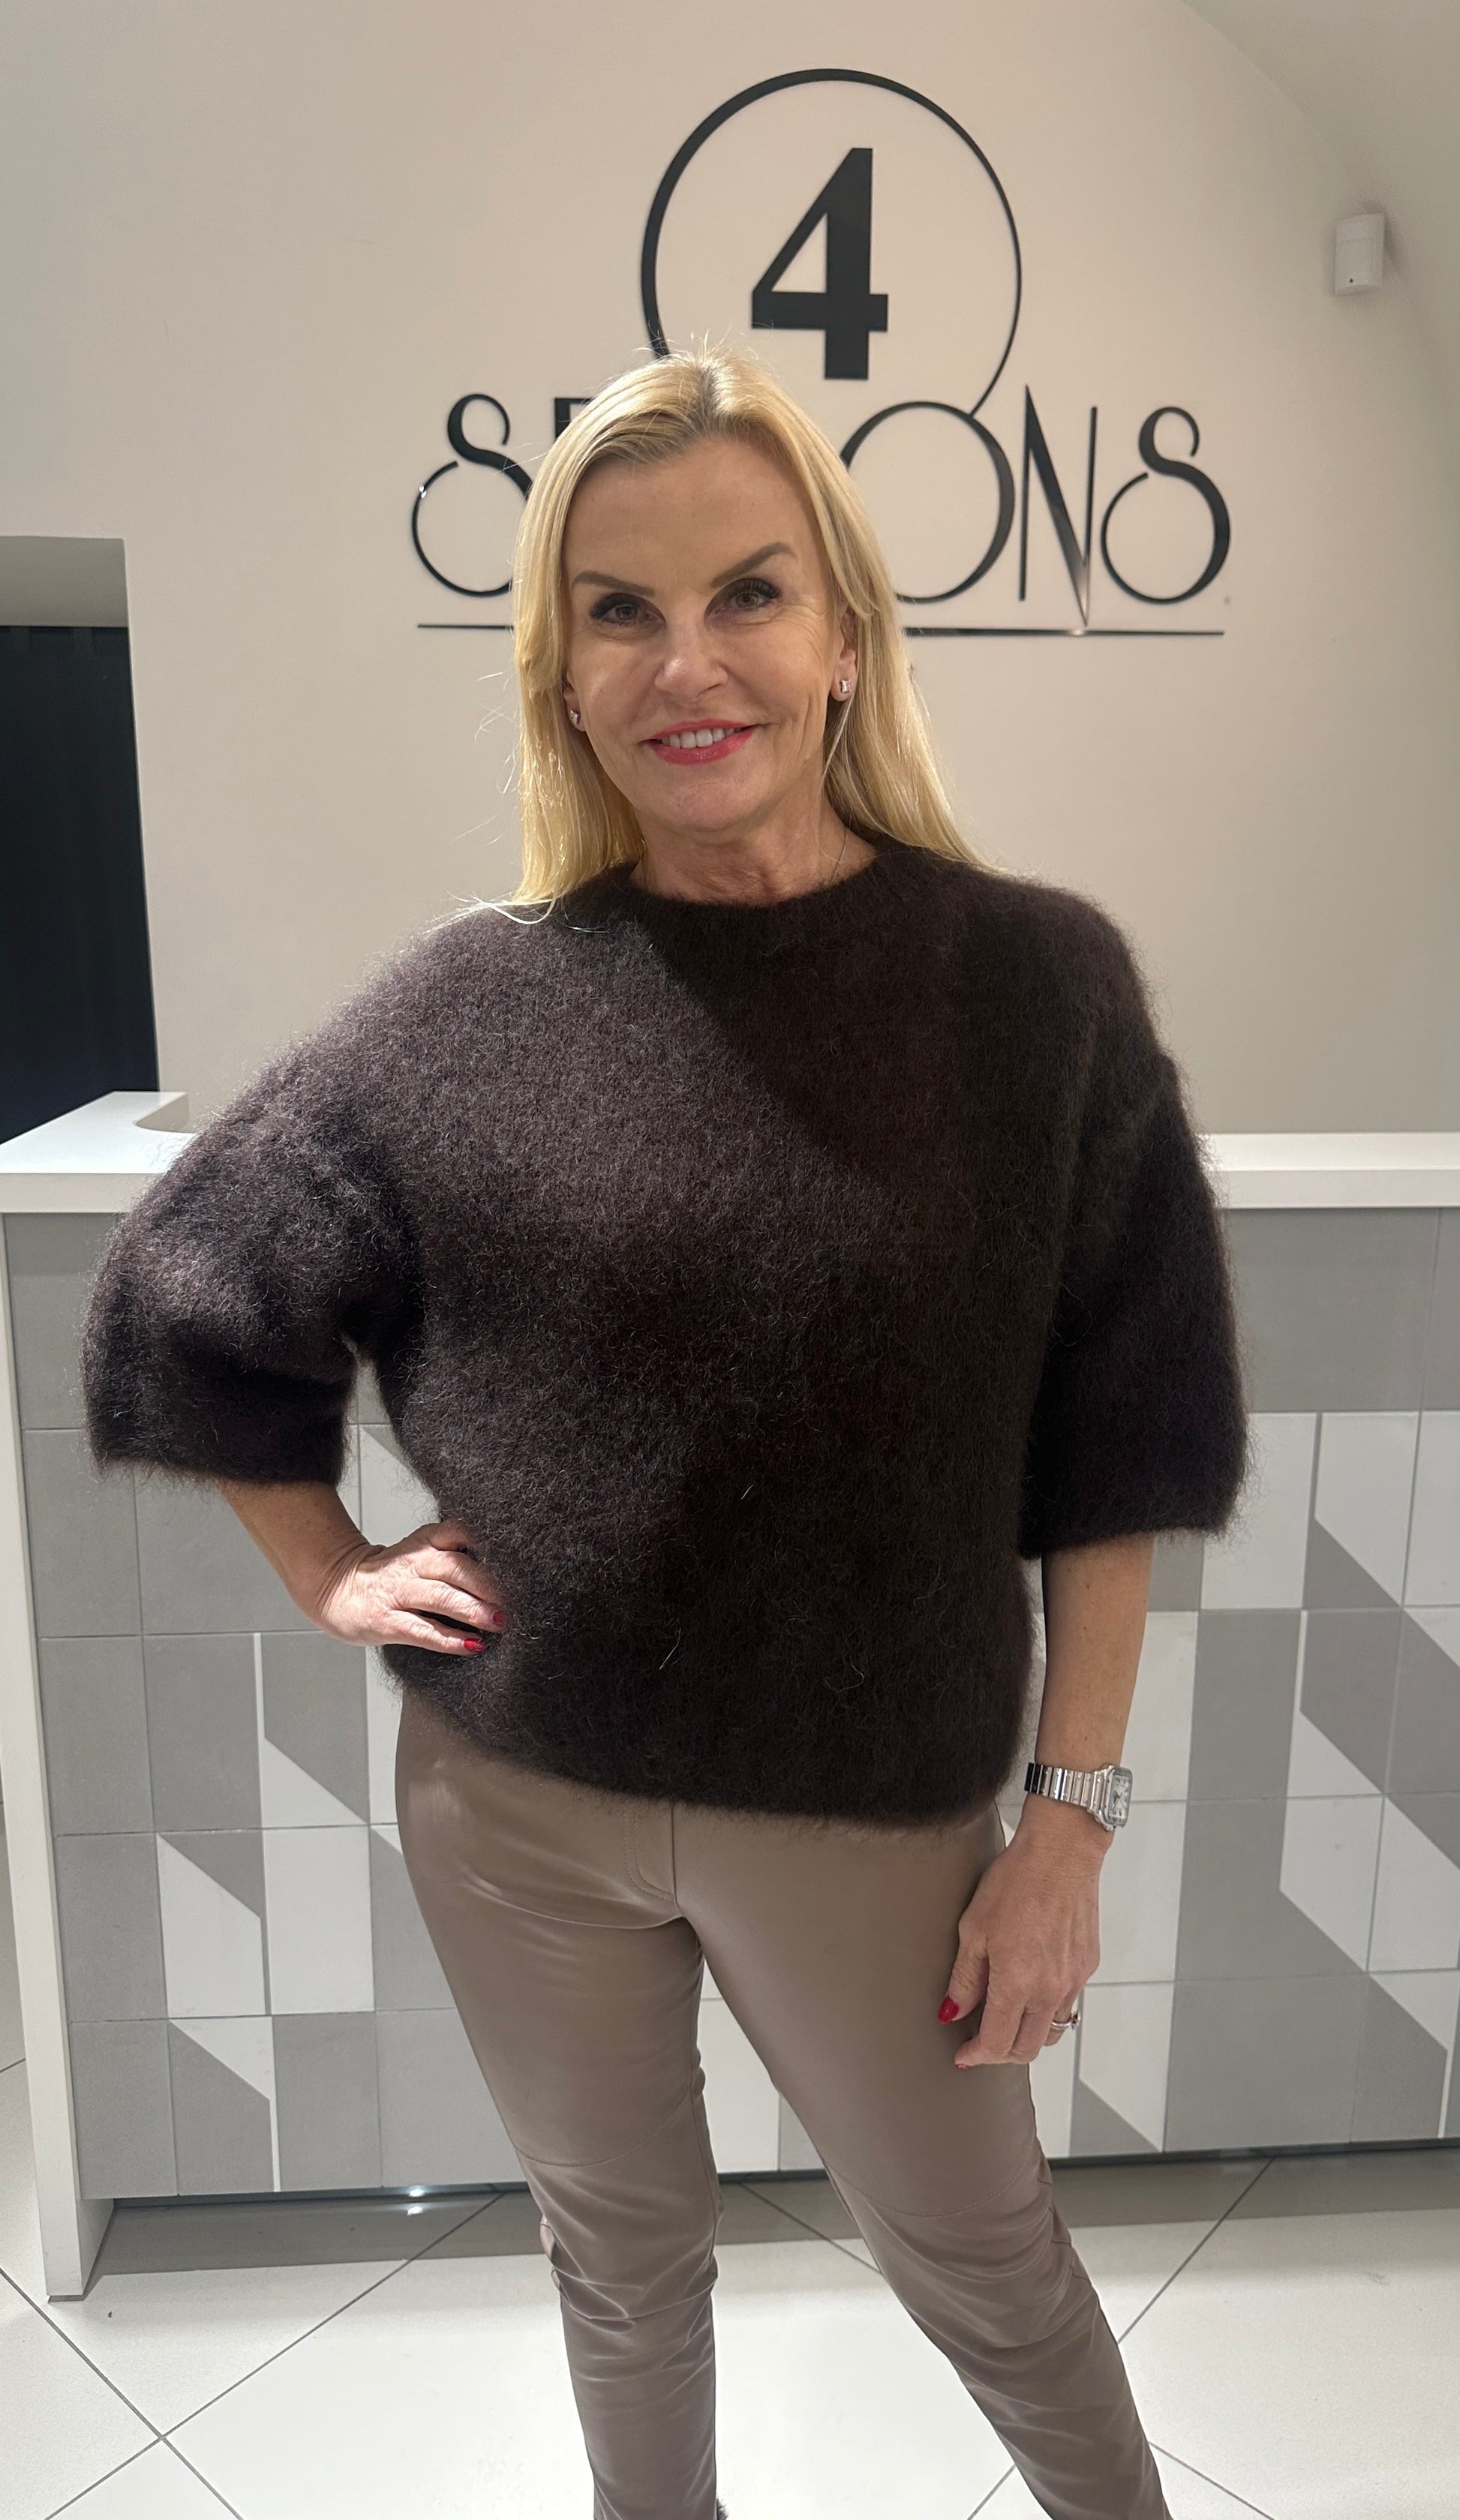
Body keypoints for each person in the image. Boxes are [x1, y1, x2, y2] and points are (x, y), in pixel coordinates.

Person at [81, 344, 1248, 2520]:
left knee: (987, 2270)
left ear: (845, 637)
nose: (684, 663)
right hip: (517, 1802)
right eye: (617, 610)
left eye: (747, 594)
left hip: (870, 1816)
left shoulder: (1036, 992)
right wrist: (330, 1569)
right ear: (559, 674)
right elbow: (191, 1287)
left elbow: (1122, 1435)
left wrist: (1069, 1828)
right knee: (616, 2266)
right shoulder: (478, 1002)